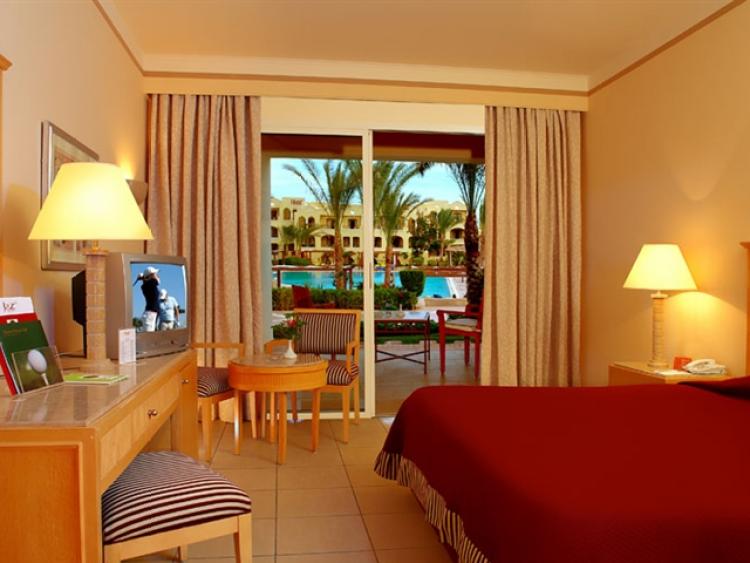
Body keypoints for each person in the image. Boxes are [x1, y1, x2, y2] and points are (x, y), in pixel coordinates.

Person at [136, 266, 160, 332]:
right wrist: (144, 277)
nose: (157, 275)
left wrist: (143, 277)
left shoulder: (147, 284)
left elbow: (149, 279)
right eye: (155, 274)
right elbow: (157, 280)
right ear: (151, 276)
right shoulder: (151, 283)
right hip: (150, 315)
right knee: (149, 336)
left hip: (151, 315)